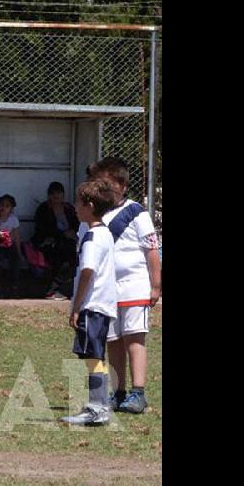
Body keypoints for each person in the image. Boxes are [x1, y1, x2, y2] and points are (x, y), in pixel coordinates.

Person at [83, 157, 162, 414]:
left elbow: (151, 249)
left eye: (106, 183)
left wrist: (155, 284)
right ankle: (118, 392)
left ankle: (138, 393)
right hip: (108, 289)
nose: (102, 187)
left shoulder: (136, 212)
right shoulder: (98, 213)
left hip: (134, 287)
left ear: (122, 185)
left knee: (134, 338)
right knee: (113, 340)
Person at [59, 179, 118, 426]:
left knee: (92, 357)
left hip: (92, 306)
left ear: (90, 205)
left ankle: (97, 408)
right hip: (103, 305)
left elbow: (87, 271)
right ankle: (99, 405)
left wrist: (76, 305)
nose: (74, 207)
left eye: (78, 202)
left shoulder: (93, 237)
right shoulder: (105, 233)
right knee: (94, 356)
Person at [32, 181, 80, 300]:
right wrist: (62, 234)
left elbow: (76, 224)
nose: (56, 198)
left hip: (67, 242)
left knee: (72, 255)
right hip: (48, 241)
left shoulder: (68, 208)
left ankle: (61, 288)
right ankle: (52, 290)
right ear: (49, 195)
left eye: (59, 194)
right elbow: (42, 228)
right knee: (61, 255)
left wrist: (72, 232)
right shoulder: (43, 209)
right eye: (53, 195)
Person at [0, 194, 22, 297]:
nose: (3, 208)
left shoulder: (13, 219)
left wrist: (19, 252)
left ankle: (14, 287)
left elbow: (16, 236)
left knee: (15, 261)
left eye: (7, 206)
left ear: (11, 208)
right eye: (2, 205)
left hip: (10, 245)